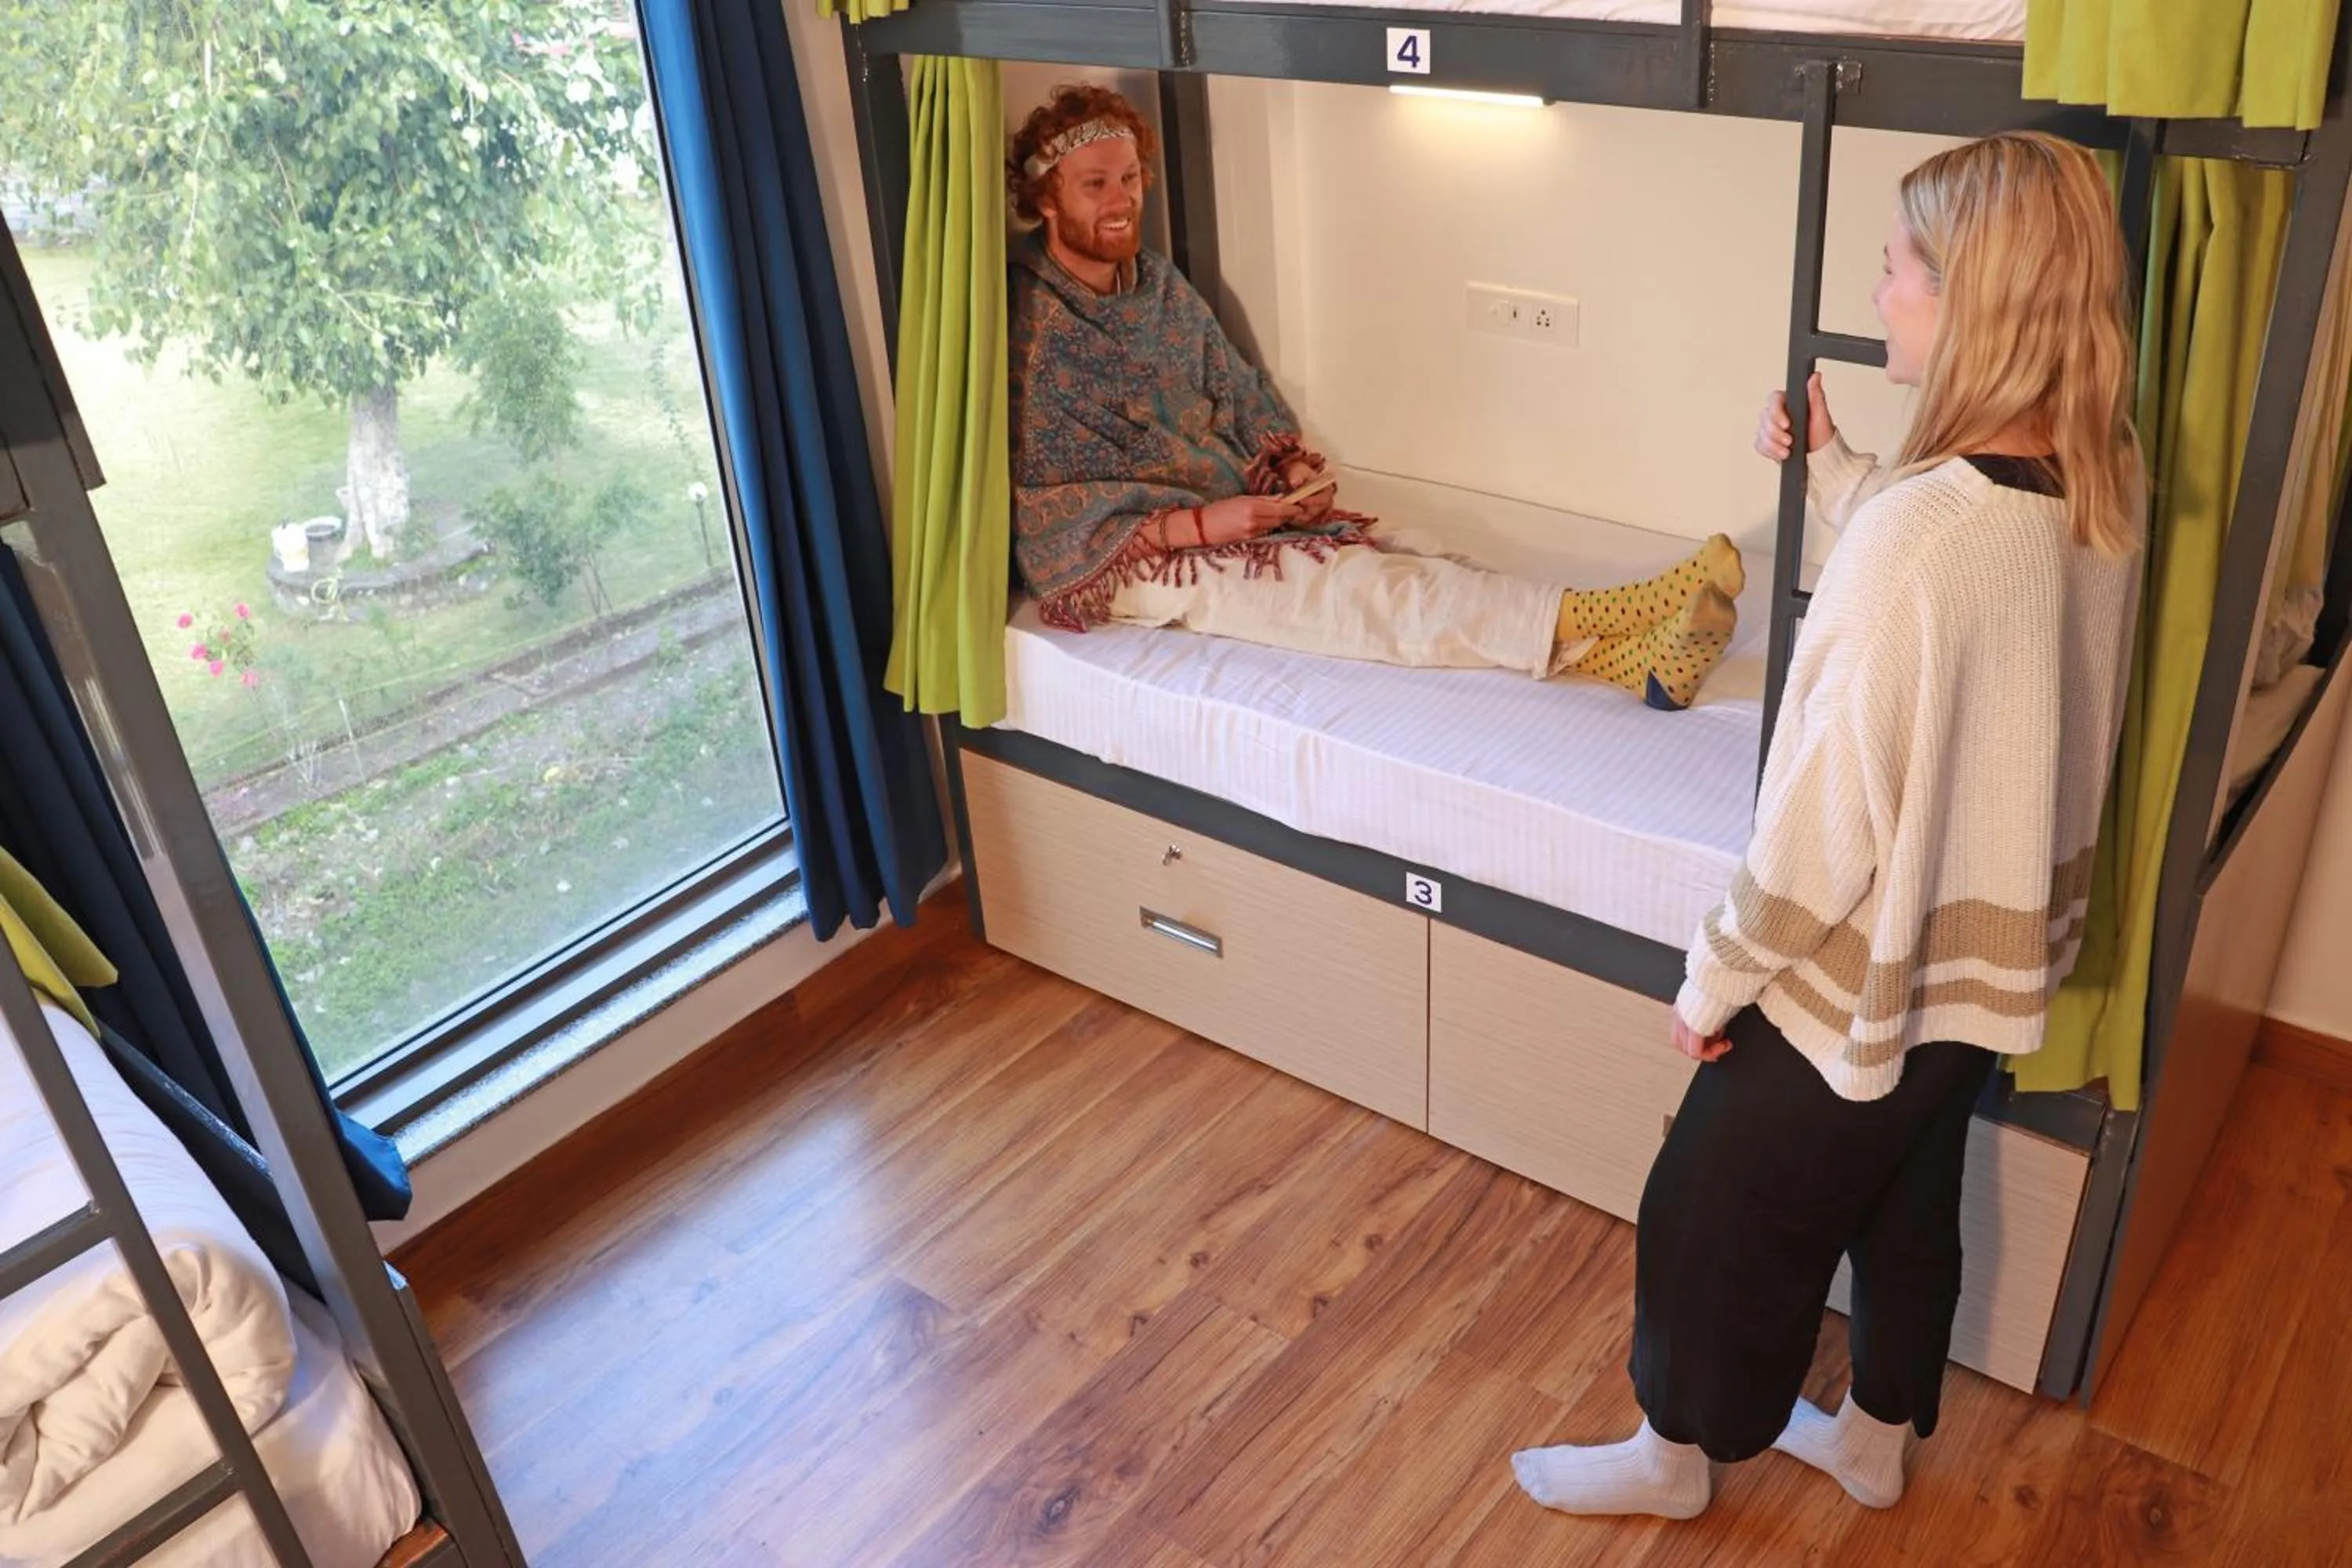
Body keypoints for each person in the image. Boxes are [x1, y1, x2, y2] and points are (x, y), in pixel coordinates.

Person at [1510, 132, 2143, 1519]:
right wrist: (1844, 473)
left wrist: (1714, 978)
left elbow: (1823, 808)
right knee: (1907, 1201)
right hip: (1978, 976)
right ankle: (1875, 1436)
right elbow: (1967, 613)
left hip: (1857, 973)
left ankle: (1673, 1461)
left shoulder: (1921, 540)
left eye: (1899, 265)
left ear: (1971, 299)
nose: (1881, 289)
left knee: (1703, 1212)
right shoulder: (2097, 483)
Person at [1007, 85, 1745, 711]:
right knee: (1361, 595)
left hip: (1235, 509)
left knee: (1418, 552)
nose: (1122, 201)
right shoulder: (1034, 328)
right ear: (1046, 200)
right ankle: (1623, 610)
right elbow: (1051, 512)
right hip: (1136, 561)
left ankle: (1636, 665)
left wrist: (1288, 473)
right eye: (1095, 184)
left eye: (1130, 178)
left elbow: (1238, 395)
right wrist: (1203, 524)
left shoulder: (1157, 287)